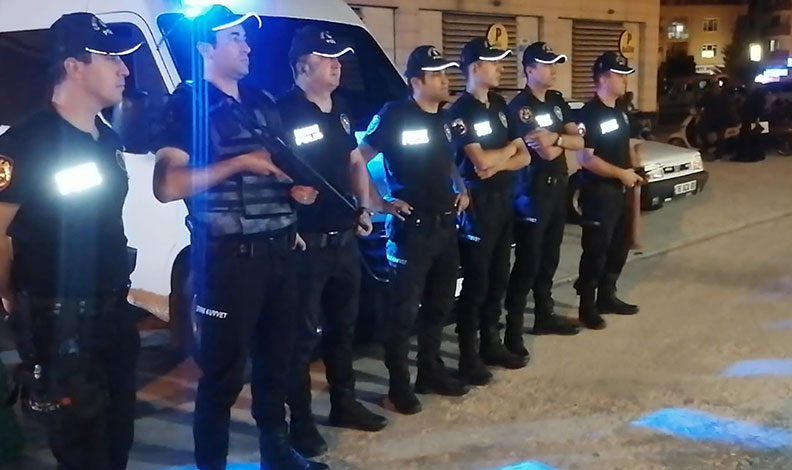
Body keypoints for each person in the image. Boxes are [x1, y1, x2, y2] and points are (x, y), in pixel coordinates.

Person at [151, 6, 327, 470]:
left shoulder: (260, 100)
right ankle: (212, 463)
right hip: (229, 260)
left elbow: (274, 167)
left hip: (281, 251)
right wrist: (240, 164)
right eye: (235, 38)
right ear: (205, 47)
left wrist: (292, 194)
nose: (247, 46)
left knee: (277, 363)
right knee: (222, 374)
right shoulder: (187, 104)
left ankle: (277, 453)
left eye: (245, 38)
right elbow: (167, 185)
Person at [0, 13, 142, 469]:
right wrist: (10, 296)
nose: (124, 69)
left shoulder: (108, 139)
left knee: (117, 439)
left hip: (114, 312)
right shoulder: (28, 140)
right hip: (59, 320)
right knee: (82, 448)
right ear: (74, 66)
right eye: (111, 59)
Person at [278, 26, 387, 457]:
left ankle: (344, 403)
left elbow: (354, 159)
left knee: (344, 328)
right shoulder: (283, 111)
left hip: (343, 239)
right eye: (326, 58)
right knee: (300, 337)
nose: (337, 65)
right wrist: (287, 203)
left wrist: (363, 207)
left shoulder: (341, 108)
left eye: (338, 58)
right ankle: (301, 422)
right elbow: (270, 170)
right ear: (301, 66)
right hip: (304, 243)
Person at [358, 45, 471, 414]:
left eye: (445, 73)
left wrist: (461, 188)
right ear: (416, 81)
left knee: (440, 305)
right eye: (437, 75)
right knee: (402, 313)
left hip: (445, 226)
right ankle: (398, 386)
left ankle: (429, 371)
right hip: (412, 230)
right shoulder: (394, 115)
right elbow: (359, 159)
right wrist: (380, 203)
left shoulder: (445, 118)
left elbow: (449, 162)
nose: (445, 80)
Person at [449, 37, 531, 385]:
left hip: (503, 200)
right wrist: (503, 155)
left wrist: (498, 162)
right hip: (478, 206)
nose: (500, 68)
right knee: (477, 282)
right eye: (493, 63)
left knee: (499, 277)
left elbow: (524, 155)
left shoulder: (499, 104)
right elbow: (478, 162)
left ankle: (491, 344)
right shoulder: (460, 111)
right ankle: (469, 356)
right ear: (474, 68)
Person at [503, 41, 582, 355]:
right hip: (532, 192)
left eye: (554, 64)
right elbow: (546, 152)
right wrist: (563, 140)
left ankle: (544, 315)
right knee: (529, 261)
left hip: (557, 187)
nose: (553, 70)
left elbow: (580, 140)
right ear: (529, 69)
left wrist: (557, 137)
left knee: (550, 257)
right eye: (546, 65)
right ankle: (513, 329)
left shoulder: (557, 101)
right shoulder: (521, 107)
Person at [575, 52, 645, 330]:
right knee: (596, 250)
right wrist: (621, 174)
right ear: (603, 79)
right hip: (599, 194)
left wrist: (634, 167)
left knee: (619, 247)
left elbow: (624, 146)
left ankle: (607, 296)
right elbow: (585, 159)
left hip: (621, 191)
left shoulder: (620, 112)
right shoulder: (589, 114)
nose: (625, 80)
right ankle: (587, 307)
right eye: (620, 75)